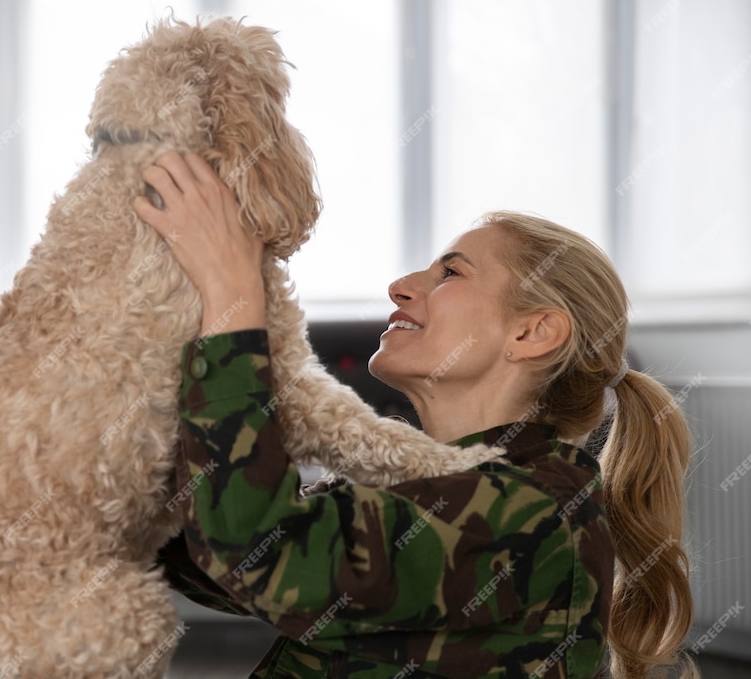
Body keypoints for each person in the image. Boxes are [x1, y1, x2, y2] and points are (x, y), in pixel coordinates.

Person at [133, 152, 696, 679]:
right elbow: (223, 559)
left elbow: (268, 555)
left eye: (450, 273)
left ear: (532, 332)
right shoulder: (420, 483)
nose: (400, 287)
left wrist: (232, 292)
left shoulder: (534, 512)